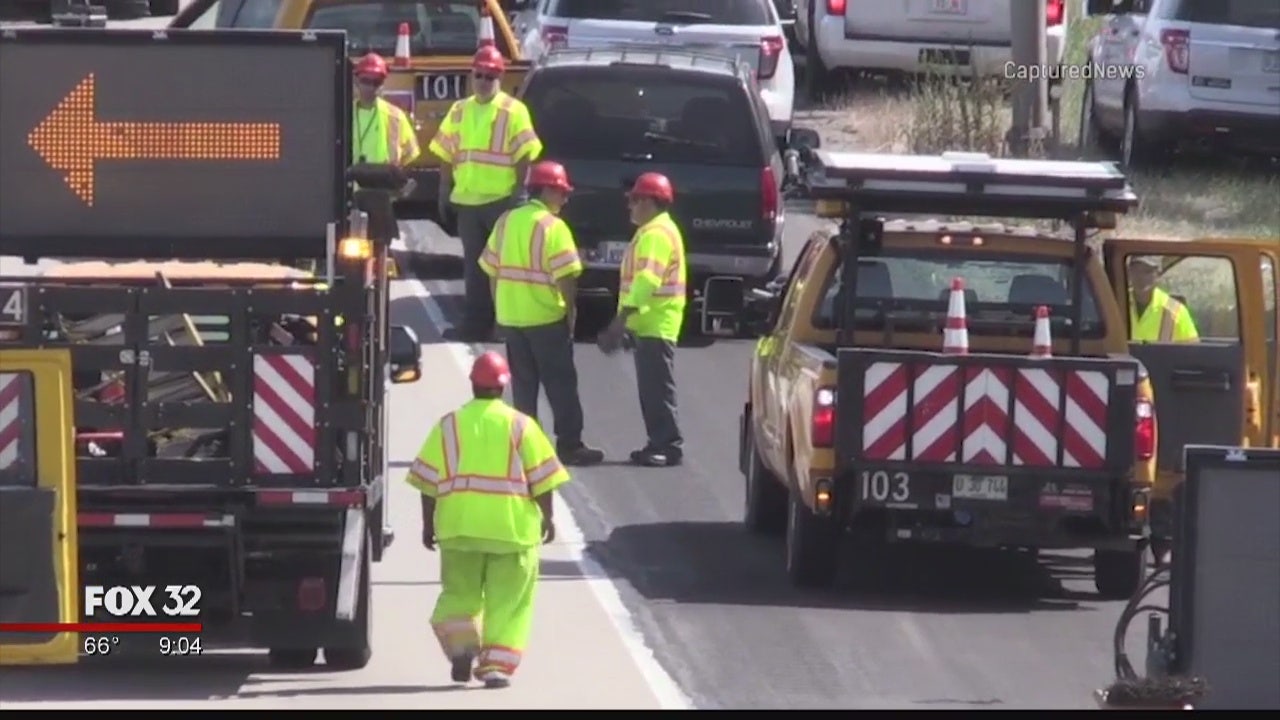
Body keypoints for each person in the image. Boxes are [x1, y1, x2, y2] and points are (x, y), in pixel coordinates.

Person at [405, 351, 569, 688]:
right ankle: (496, 667)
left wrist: (427, 523)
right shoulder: (522, 425)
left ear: (472, 384)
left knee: (459, 595)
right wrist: (548, 518)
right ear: (504, 385)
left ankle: (463, 647)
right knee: (508, 602)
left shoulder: (449, 424)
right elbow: (543, 479)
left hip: (459, 528)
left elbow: (427, 481)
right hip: (511, 531)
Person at [478, 161, 604, 466]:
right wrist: (570, 314)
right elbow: (566, 278)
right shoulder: (553, 227)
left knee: (523, 387)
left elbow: (491, 271)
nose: (564, 198)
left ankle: (526, 447)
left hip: (511, 318)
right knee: (560, 384)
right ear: (546, 190)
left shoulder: (506, 221)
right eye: (561, 192)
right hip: (545, 318)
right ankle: (570, 445)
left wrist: (499, 311)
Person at [429, 46, 543, 343]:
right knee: (474, 268)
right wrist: (444, 189)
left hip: (500, 202)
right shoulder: (460, 110)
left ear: (499, 78)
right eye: (479, 75)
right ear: (471, 75)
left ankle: (502, 325)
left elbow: (525, 154)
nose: (483, 80)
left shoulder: (513, 110)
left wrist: (519, 192)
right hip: (468, 203)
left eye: (489, 76)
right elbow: (445, 151)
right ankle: (474, 324)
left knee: (502, 269)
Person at [597, 172, 687, 467]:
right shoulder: (654, 231)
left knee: (657, 388)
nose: (630, 206)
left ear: (649, 201)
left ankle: (667, 445)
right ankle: (658, 442)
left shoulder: (656, 234)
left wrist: (622, 318)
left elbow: (648, 279)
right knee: (652, 388)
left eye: (635, 200)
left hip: (656, 323)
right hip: (651, 323)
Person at [351, 53, 420, 166]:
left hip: (384, 182)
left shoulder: (396, 116)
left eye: (376, 83)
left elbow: (410, 153)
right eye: (366, 81)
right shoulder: (343, 115)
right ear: (356, 81)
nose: (371, 87)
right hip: (350, 182)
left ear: (383, 84)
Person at [1128, 256, 1199, 342]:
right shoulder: (1116, 305)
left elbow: (1193, 349)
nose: (1141, 277)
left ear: (1158, 274)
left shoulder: (1176, 310)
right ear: (1129, 273)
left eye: (1147, 271)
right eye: (1136, 271)